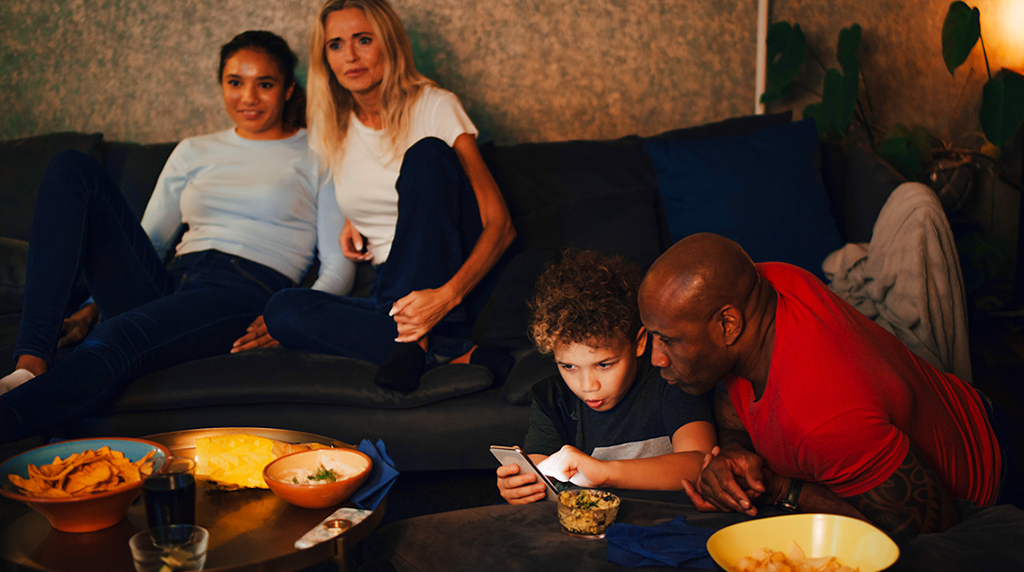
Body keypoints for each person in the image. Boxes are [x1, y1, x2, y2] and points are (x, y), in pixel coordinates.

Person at [0, 31, 353, 443]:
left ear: (288, 89)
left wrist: (291, 317)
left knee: (115, 337)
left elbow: (337, 265)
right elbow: (151, 240)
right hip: (170, 280)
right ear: (222, 84)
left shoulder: (318, 152)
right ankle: (29, 364)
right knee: (71, 168)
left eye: (265, 84)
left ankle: (9, 419)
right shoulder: (193, 150)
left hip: (241, 288)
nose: (249, 98)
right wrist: (93, 305)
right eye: (235, 82)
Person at [637, 232, 1014, 538]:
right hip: (963, 408)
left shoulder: (821, 418)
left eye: (668, 340)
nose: (656, 358)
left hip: (989, 484)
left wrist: (782, 489)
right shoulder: (767, 284)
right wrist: (734, 453)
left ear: (728, 326)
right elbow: (737, 405)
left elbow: (923, 534)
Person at [262, 0, 516, 393]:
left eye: (364, 40)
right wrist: (355, 217)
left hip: (453, 286)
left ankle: (418, 344)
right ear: (325, 57)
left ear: (390, 43)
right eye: (336, 45)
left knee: (426, 155)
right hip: (390, 295)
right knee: (282, 310)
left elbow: (501, 226)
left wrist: (446, 297)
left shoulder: (435, 105)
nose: (350, 56)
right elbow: (375, 186)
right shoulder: (333, 126)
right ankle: (444, 352)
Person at [497, 249, 717, 504]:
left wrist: (605, 473)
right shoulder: (552, 397)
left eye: (604, 364)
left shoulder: (669, 380)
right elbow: (538, 470)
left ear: (639, 343)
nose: (588, 386)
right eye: (568, 367)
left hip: (668, 520)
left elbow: (700, 461)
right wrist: (521, 485)